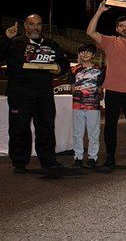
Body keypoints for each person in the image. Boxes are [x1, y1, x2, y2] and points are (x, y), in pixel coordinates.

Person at [0, 17, 69, 173]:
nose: (35, 27)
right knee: (19, 128)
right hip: (20, 93)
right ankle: (19, 162)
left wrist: (59, 68)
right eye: (31, 24)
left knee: (46, 127)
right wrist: (6, 37)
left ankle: (48, 161)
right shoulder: (15, 42)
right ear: (25, 26)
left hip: (44, 93)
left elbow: (63, 62)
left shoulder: (50, 43)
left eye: (38, 24)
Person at [87, 2, 126, 168]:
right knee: (110, 126)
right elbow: (90, 32)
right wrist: (99, 10)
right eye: (121, 26)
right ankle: (110, 157)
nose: (124, 28)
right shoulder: (110, 41)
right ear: (116, 29)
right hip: (112, 91)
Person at [70, 43, 104, 169]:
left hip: (93, 106)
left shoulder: (99, 70)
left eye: (88, 52)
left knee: (93, 133)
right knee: (77, 133)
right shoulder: (74, 69)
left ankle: (92, 157)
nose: (85, 54)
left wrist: (95, 95)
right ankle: (78, 157)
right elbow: (72, 87)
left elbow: (100, 89)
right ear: (79, 54)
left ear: (93, 55)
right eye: (82, 52)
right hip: (77, 105)